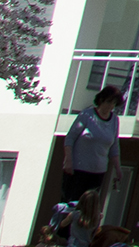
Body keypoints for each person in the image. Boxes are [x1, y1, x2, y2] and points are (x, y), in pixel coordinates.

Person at [56, 86, 125, 218]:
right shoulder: (86, 115)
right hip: (77, 170)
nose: (111, 106)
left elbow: (114, 146)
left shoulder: (114, 120)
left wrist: (118, 168)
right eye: (108, 102)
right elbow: (70, 138)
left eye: (114, 103)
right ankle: (61, 236)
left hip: (97, 172)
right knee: (71, 206)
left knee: (88, 209)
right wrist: (68, 160)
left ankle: (80, 237)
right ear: (101, 100)